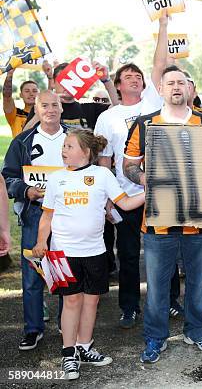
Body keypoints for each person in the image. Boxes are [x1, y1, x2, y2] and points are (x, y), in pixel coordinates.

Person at [32, 129, 145, 380]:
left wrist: (152, 192)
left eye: (69, 146)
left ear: (86, 152)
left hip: (95, 251)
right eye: (64, 146)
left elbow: (124, 203)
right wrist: (42, 241)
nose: (64, 151)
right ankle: (69, 353)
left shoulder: (102, 175)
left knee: (92, 301)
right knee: (72, 301)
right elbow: (47, 215)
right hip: (65, 251)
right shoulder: (56, 178)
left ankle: (85, 347)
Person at [123, 66, 202, 364]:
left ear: (191, 88)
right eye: (170, 83)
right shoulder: (145, 123)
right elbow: (128, 164)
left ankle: (196, 329)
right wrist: (144, 179)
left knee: (198, 284)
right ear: (160, 89)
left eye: (181, 82)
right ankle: (155, 336)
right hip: (158, 221)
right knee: (157, 287)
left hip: (199, 221)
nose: (176, 87)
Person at [94, 13, 166, 329]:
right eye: (129, 76)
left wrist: (163, 27)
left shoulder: (152, 101)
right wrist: (108, 201)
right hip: (126, 196)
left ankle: (170, 302)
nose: (136, 78)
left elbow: (160, 66)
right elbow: (104, 162)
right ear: (119, 84)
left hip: (160, 192)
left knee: (165, 252)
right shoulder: (107, 117)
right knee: (127, 254)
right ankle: (129, 307)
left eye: (138, 75)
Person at [2, 90, 68, 350]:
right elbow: (7, 177)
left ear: (61, 108)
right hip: (35, 214)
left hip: (68, 214)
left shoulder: (74, 137)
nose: (50, 109)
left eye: (55, 105)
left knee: (66, 271)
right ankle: (33, 328)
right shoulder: (22, 141)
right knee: (32, 274)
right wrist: (26, 191)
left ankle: (67, 323)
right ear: (37, 110)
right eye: (45, 106)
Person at [24, 61, 118, 130]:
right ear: (53, 83)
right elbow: (23, 136)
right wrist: (40, 114)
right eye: (63, 80)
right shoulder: (42, 110)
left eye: (70, 79)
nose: (67, 85)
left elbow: (119, 107)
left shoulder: (90, 109)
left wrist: (106, 80)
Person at [2, 70, 39, 137]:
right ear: (21, 95)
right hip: (20, 147)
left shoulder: (45, 114)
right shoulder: (15, 114)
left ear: (39, 95)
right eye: (27, 91)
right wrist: (9, 75)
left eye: (34, 91)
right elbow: (7, 97)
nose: (31, 94)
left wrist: (50, 77)